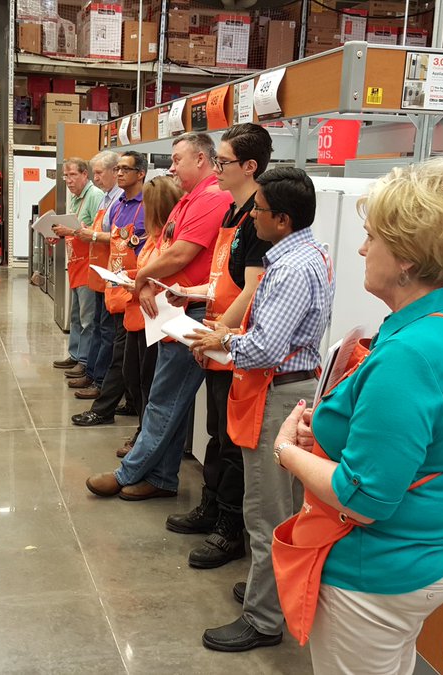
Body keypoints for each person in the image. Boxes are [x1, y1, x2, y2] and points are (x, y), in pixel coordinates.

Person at [273, 158, 443, 671]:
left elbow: (365, 497)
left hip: (374, 570)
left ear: (407, 260)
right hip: (428, 554)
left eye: (371, 237)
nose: (361, 249)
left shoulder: (409, 354)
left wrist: (286, 450)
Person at [185, 167, 335, 652]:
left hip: (277, 394)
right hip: (289, 388)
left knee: (267, 513)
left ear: (283, 219)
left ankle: (264, 619)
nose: (252, 217)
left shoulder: (289, 269)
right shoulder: (308, 253)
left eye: (260, 211)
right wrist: (229, 335)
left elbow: (266, 348)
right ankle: (272, 590)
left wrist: (223, 342)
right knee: (286, 509)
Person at [85, 132, 231, 500]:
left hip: (192, 311)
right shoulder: (190, 200)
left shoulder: (212, 199)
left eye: (177, 159)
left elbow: (181, 254)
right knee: (169, 400)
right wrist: (148, 281)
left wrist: (143, 279)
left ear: (201, 159)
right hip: (174, 306)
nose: (172, 167)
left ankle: (128, 473)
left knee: (164, 399)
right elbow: (165, 250)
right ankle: (162, 478)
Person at [165, 123, 273, 571]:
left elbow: (252, 289)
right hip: (218, 337)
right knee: (215, 432)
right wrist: (190, 295)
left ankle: (230, 529)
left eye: (223, 162)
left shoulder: (258, 220)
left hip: (237, 346)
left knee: (233, 443)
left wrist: (219, 334)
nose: (217, 168)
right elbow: (223, 282)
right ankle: (210, 506)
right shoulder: (231, 212)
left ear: (249, 166)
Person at [105, 176, 185, 458]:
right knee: (134, 377)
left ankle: (146, 436)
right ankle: (143, 431)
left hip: (155, 319)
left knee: (148, 382)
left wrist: (139, 281)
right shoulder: (154, 237)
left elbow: (165, 276)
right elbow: (145, 271)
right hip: (137, 316)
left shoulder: (172, 241)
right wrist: (129, 277)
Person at [73, 151, 145, 423]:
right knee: (122, 352)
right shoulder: (117, 205)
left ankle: (103, 409)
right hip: (114, 285)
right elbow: (115, 242)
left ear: (141, 174)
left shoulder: (146, 205)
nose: (120, 173)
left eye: (125, 169)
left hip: (134, 289)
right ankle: (132, 403)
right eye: (118, 169)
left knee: (120, 353)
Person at [70, 151, 124, 398]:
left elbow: (119, 236)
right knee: (97, 326)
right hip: (98, 272)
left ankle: (100, 380)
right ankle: (91, 372)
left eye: (100, 173)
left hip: (112, 273)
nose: (96, 178)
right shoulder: (105, 198)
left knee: (106, 330)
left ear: (115, 171)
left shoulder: (119, 199)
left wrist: (90, 234)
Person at [51, 158, 104, 380]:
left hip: (89, 265)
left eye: (73, 175)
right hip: (76, 264)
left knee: (87, 318)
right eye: (66, 176)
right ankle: (75, 354)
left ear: (85, 174)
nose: (68, 180)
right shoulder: (75, 197)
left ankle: (85, 361)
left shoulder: (95, 196)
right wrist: (59, 234)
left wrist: (71, 231)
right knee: (75, 315)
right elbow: (76, 226)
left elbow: (97, 230)